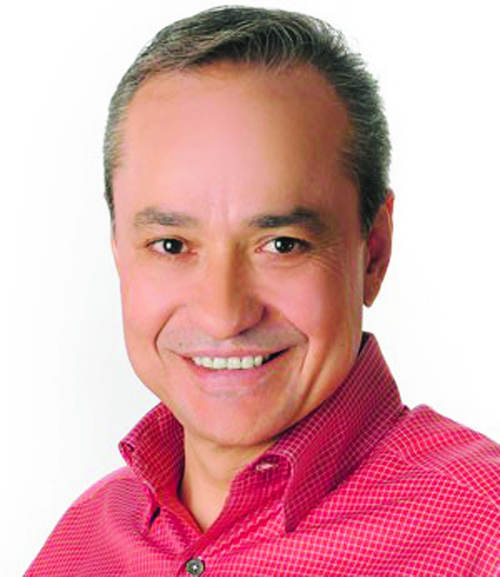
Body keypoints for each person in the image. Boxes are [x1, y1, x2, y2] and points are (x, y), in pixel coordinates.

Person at [27, 6, 499, 575]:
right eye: (172, 245)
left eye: (281, 244)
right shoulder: (81, 540)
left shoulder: (485, 532)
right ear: (118, 253)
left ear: (373, 252)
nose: (223, 314)